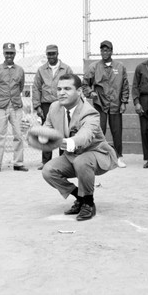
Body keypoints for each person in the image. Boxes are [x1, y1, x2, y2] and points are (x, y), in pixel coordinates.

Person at [39, 74, 118, 221]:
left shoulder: (90, 112)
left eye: (67, 88)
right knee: (48, 170)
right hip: (73, 157)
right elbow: (47, 130)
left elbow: (84, 137)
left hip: (96, 155)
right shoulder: (54, 107)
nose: (61, 92)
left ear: (80, 91)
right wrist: (38, 134)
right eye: (59, 89)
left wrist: (59, 141)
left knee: (81, 160)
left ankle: (88, 202)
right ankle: (79, 197)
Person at [82, 40, 129, 168]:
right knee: (99, 130)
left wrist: (124, 102)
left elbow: (125, 85)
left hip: (115, 103)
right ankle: (98, 157)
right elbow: (85, 82)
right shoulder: (94, 67)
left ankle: (119, 157)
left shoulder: (119, 67)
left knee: (117, 131)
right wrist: (90, 93)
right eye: (102, 50)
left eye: (107, 50)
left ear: (111, 51)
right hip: (100, 103)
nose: (105, 52)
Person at [0, 43, 28, 173]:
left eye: (11, 53)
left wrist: (12, 97)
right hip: (1, 106)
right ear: (4, 53)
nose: (9, 55)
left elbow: (21, 87)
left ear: (15, 53)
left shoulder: (20, 70)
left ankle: (18, 163)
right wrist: (1, 96)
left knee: (18, 135)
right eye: (7, 53)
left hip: (16, 106)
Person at [32, 44, 73, 170]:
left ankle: (64, 161)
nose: (51, 56)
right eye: (49, 54)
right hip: (46, 105)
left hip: (62, 104)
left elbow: (72, 85)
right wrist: (37, 106)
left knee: (64, 132)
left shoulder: (66, 69)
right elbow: (36, 88)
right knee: (46, 133)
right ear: (46, 55)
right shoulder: (41, 70)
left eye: (53, 54)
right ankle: (46, 162)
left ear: (57, 54)